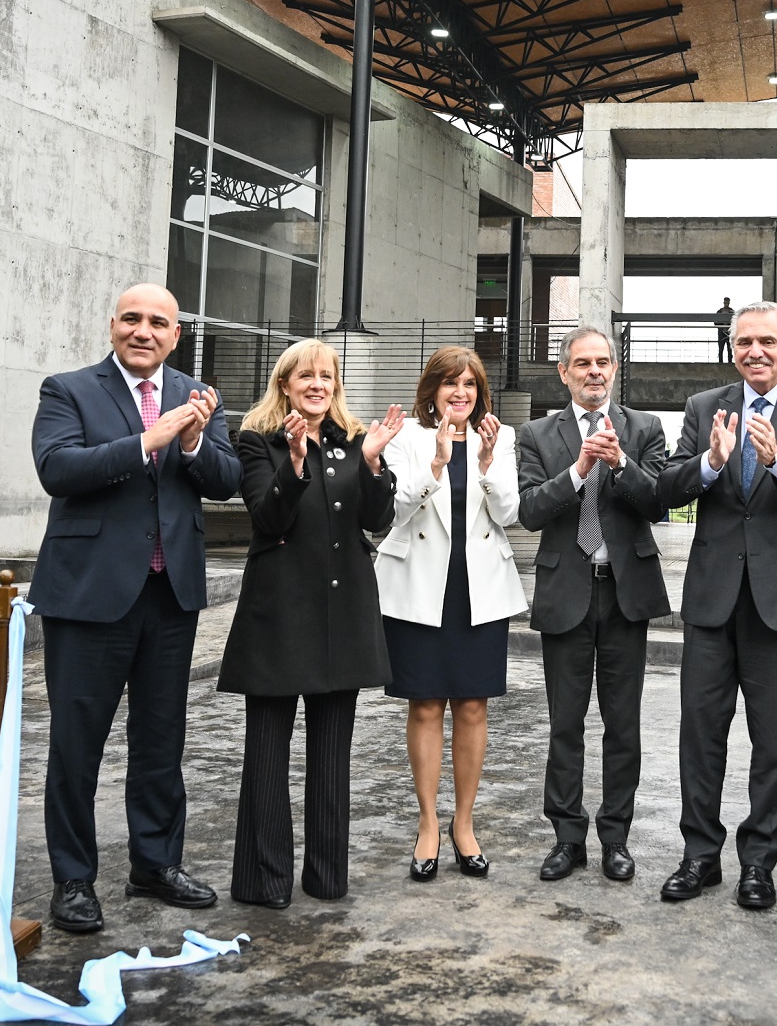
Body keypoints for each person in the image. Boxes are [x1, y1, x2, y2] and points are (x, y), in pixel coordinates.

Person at [29, 284, 242, 934]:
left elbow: (229, 481)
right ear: (112, 325)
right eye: (132, 318)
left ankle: (155, 863)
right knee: (76, 744)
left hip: (169, 596)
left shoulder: (199, 395)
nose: (143, 330)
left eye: (158, 322)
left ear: (177, 334)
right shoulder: (68, 389)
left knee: (159, 741)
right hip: (90, 595)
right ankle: (73, 878)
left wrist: (192, 445)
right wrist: (153, 438)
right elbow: (58, 468)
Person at [656, 301, 777, 911]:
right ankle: (700, 856)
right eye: (744, 343)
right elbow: (666, 488)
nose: (755, 352)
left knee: (772, 741)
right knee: (700, 733)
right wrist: (711, 463)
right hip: (713, 600)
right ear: (732, 349)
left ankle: (759, 862)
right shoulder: (702, 407)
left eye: (768, 341)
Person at [219, 341, 403, 907]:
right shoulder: (256, 441)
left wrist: (372, 463)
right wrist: (295, 463)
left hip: (341, 616)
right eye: (306, 375)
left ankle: (326, 877)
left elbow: (377, 520)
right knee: (268, 753)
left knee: (332, 754)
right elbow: (266, 517)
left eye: (327, 375)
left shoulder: (354, 441)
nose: (317, 383)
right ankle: (264, 880)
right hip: (277, 614)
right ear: (285, 383)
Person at [516, 326, 672, 884]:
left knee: (622, 723)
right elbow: (530, 511)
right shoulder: (536, 434)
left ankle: (616, 838)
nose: (594, 372)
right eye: (582, 363)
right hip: (566, 594)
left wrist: (622, 466)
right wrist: (580, 470)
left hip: (625, 593)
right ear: (564, 372)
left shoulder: (645, 428)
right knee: (565, 723)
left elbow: (659, 503)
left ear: (614, 369)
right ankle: (566, 837)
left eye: (603, 362)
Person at [375, 347, 525, 882]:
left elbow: (511, 513)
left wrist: (484, 465)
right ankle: (427, 824)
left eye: (469, 384)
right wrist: (437, 463)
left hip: (477, 588)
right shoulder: (407, 438)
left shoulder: (500, 437)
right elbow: (390, 513)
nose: (460, 393)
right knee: (423, 706)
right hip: (420, 585)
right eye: (450, 383)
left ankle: (464, 823)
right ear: (432, 389)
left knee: (472, 707)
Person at [714, 297, 735, 363]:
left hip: (729, 333)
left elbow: (735, 321)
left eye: (727, 303)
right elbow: (715, 322)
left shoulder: (732, 311)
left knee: (729, 348)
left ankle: (730, 362)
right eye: (725, 302)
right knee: (721, 348)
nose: (726, 304)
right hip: (721, 333)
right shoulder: (719, 312)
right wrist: (721, 327)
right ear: (724, 303)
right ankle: (720, 362)